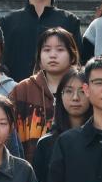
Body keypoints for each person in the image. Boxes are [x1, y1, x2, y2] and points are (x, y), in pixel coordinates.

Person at [0, 0, 81, 87]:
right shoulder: (8, 22)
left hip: (59, 94)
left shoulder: (69, 21)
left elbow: (77, 65)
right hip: (14, 94)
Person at [9, 27, 80, 162]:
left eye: (60, 50)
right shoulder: (23, 90)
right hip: (29, 167)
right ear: (39, 57)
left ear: (72, 56)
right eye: (46, 50)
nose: (53, 55)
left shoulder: (83, 89)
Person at [31, 68, 90, 182]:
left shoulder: (101, 140)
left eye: (82, 91)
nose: (75, 98)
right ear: (60, 95)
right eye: (68, 91)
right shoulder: (46, 143)